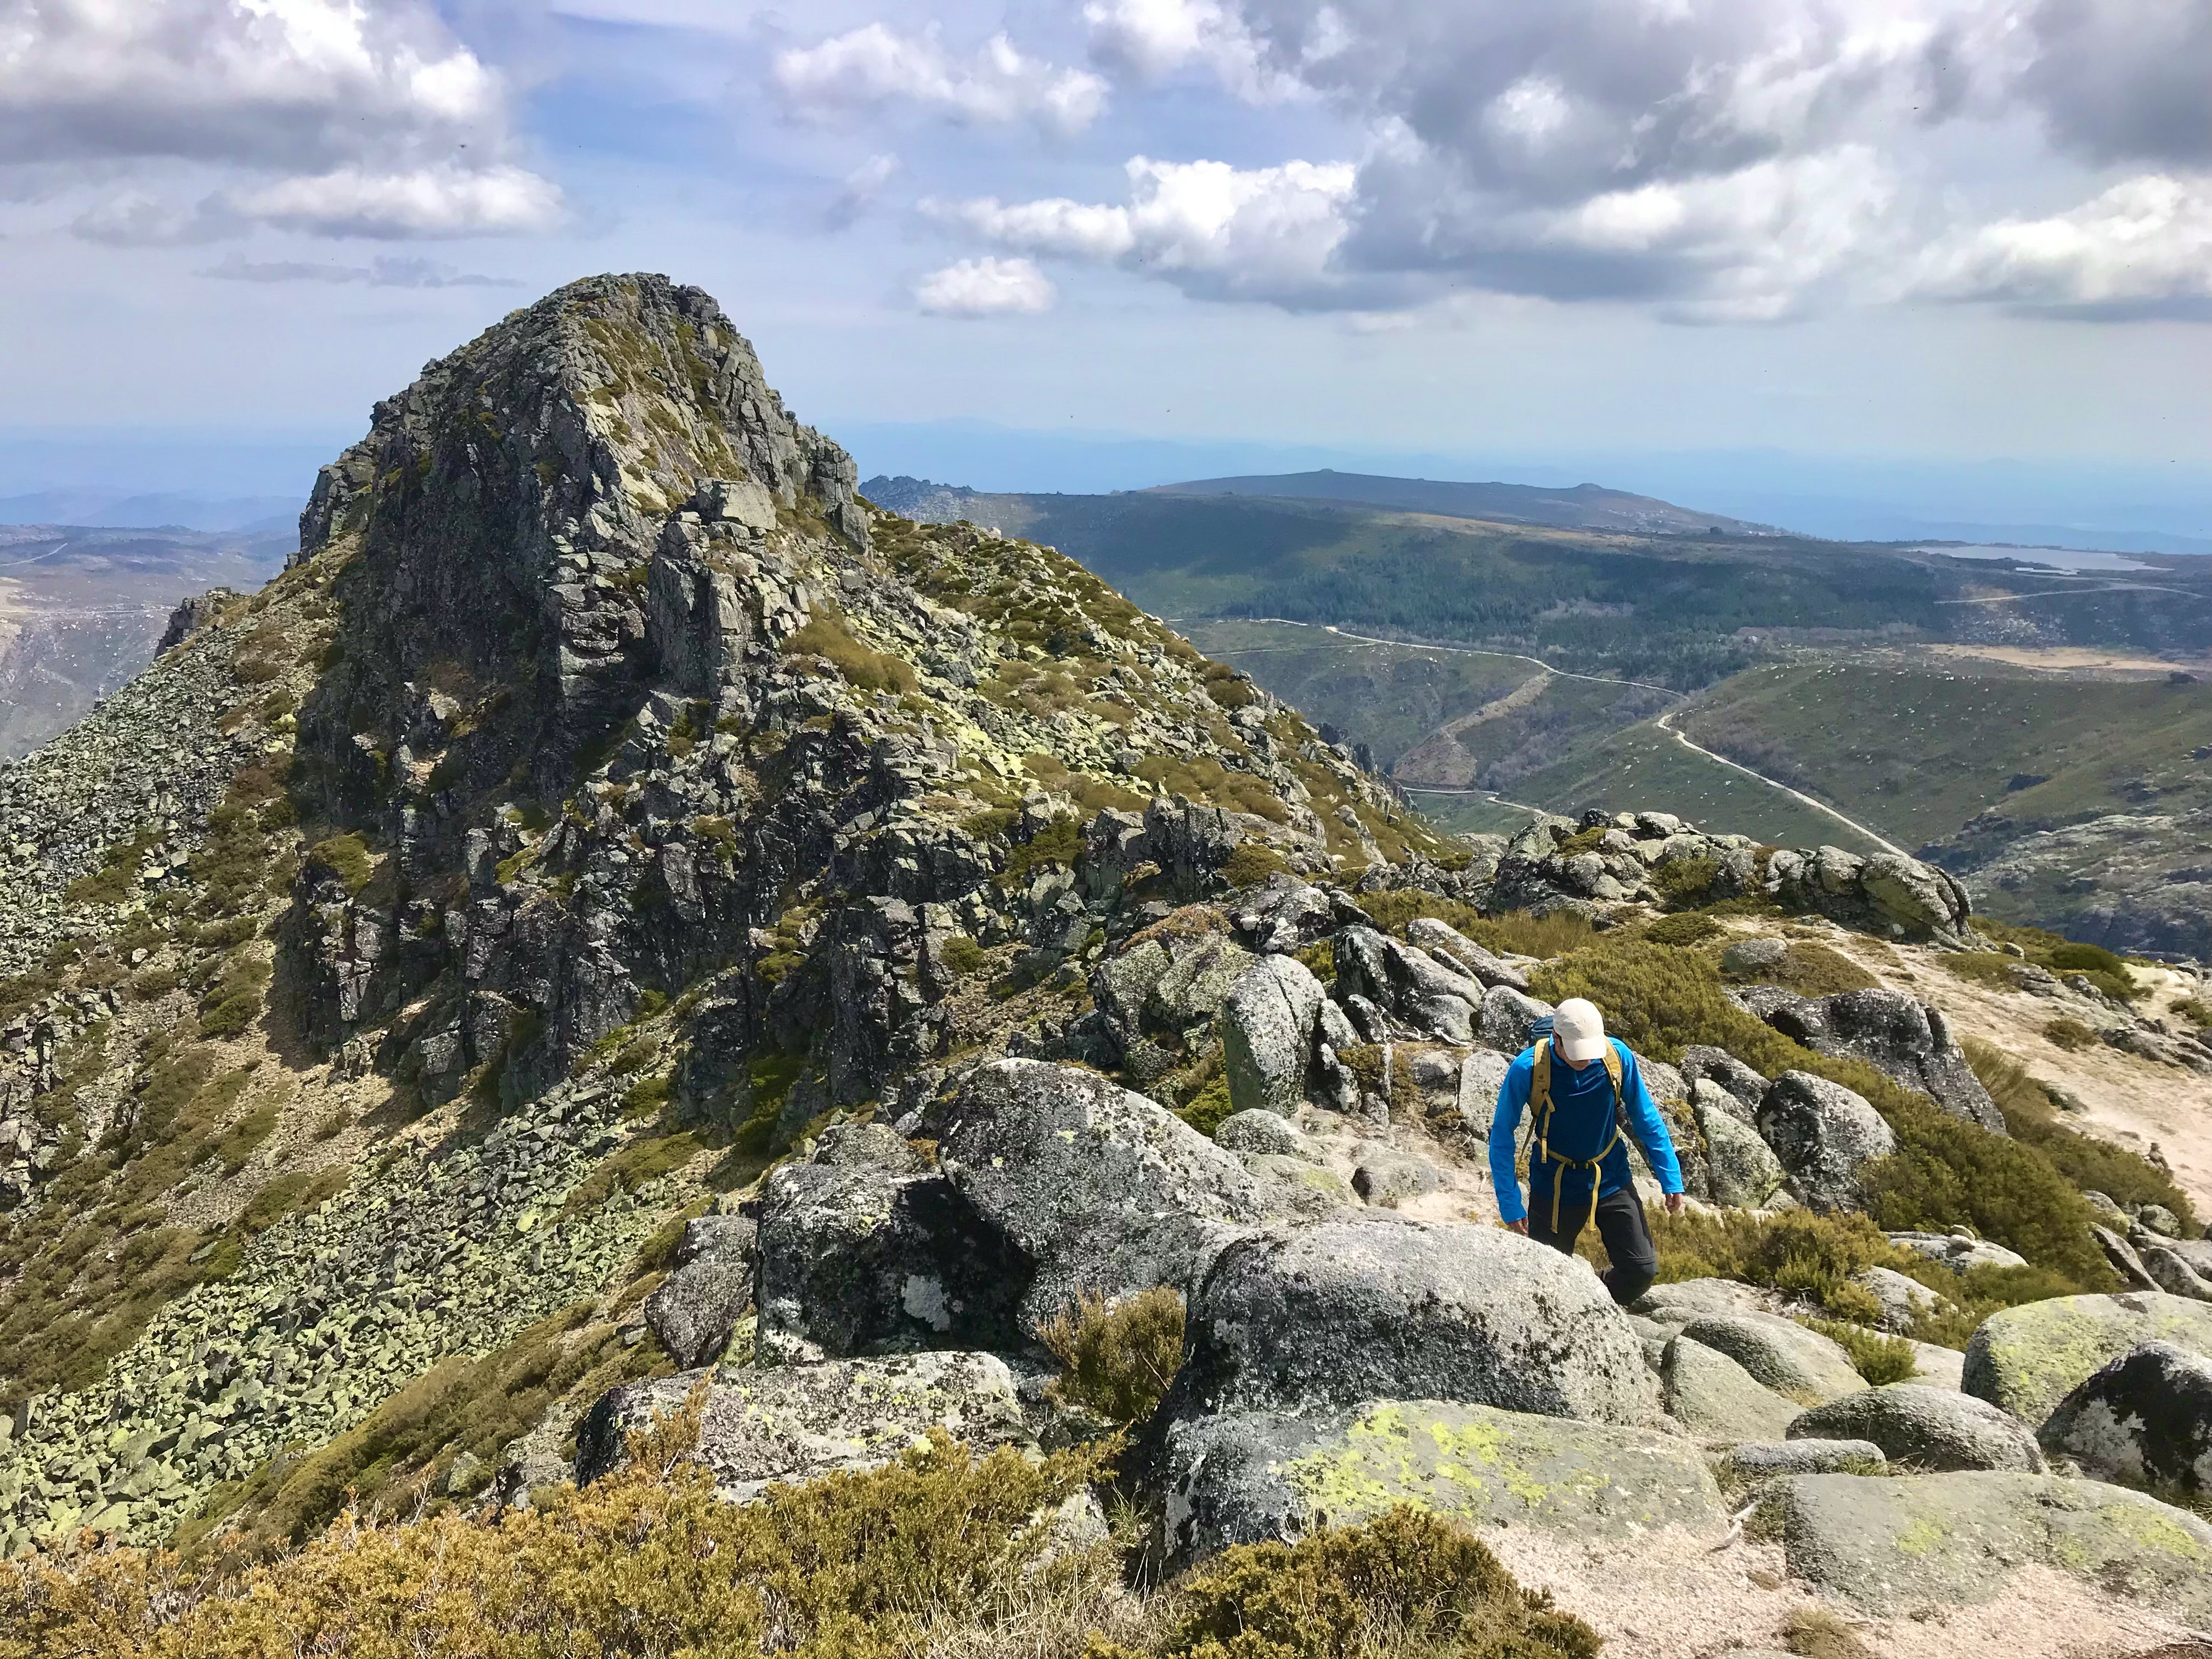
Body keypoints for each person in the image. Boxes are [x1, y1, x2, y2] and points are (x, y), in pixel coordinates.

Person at [1487, 996, 1684, 1305]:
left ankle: (1593, 1303)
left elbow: (1647, 1119)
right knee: (1543, 1281)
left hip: (1611, 1177)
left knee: (1641, 1270)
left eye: (1590, 1052)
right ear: (1556, 1038)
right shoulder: (1528, 1069)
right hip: (1554, 1186)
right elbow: (1502, 1136)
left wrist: (1670, 1176)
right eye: (1577, 1053)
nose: (1586, 1061)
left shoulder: (1616, 1058)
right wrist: (1510, 1203)